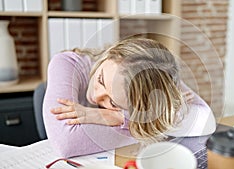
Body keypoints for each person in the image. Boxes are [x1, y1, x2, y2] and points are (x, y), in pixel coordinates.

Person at [43, 38, 216, 158]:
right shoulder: (66, 63)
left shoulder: (155, 75)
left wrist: (119, 118)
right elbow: (67, 142)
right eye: (101, 80)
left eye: (112, 103)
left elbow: (205, 120)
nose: (96, 98)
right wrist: (149, 126)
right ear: (111, 54)